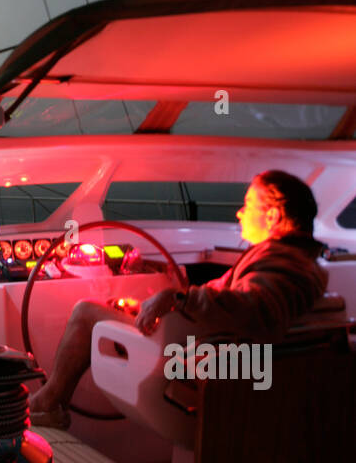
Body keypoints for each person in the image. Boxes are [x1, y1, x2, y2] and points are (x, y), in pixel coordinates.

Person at [29, 171, 329, 428]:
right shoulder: (297, 260)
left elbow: (256, 310)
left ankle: (47, 405)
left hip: (199, 366)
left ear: (273, 216)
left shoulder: (283, 261)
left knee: (85, 313)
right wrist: (157, 305)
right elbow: (229, 297)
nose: (239, 212)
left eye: (248, 204)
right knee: (112, 309)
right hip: (210, 355)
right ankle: (49, 404)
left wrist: (178, 298)